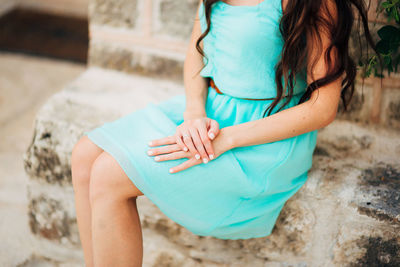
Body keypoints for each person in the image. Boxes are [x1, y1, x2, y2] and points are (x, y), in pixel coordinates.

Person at [71, 0, 379, 266]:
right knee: (84, 155)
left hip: (262, 139)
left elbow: (322, 108)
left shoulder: (312, 3)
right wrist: (193, 115)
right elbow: (197, 52)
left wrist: (228, 139)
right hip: (210, 112)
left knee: (109, 175)